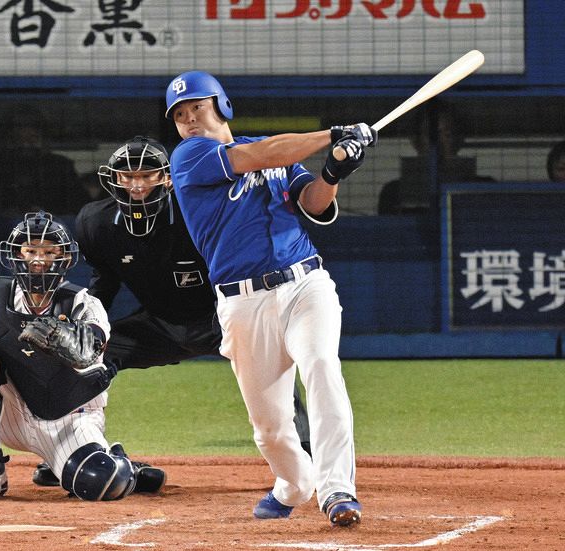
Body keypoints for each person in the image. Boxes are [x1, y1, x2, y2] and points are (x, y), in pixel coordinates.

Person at [30, 136, 311, 488]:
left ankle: (305, 451)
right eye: (127, 176)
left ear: (166, 178)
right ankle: (72, 453)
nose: (136, 184)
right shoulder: (95, 223)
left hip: (219, 319)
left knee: (270, 367)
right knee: (78, 358)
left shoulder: (198, 212)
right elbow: (106, 284)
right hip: (158, 327)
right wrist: (83, 329)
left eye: (147, 175)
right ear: (113, 179)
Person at [165, 71, 374, 526]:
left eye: (197, 107)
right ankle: (295, 484)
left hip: (305, 284)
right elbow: (258, 155)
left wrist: (335, 170)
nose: (189, 120)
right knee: (271, 428)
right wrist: (333, 135)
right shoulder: (190, 157)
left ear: (221, 105)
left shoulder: (281, 153)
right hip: (242, 303)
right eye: (180, 115)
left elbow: (315, 204)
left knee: (321, 366)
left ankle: (338, 489)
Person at [0, 210, 165, 501]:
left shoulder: (84, 303)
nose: (38, 259)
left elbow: (90, 351)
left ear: (64, 258)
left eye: (49, 251)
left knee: (102, 482)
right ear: (15, 255)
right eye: (30, 250)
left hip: (69, 419)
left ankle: (122, 467)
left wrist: (65, 340)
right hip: (12, 414)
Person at [0, 104, 88, 217]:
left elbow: (81, 208)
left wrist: (48, 214)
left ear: (43, 139)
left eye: (32, 138)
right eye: (18, 138)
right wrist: (0, 215)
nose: (25, 144)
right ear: (7, 139)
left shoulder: (60, 167)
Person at [377, 99, 494, 215]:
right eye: (430, 134)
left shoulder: (484, 188)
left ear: (459, 140)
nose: (437, 143)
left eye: (446, 134)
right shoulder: (394, 193)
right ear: (416, 141)